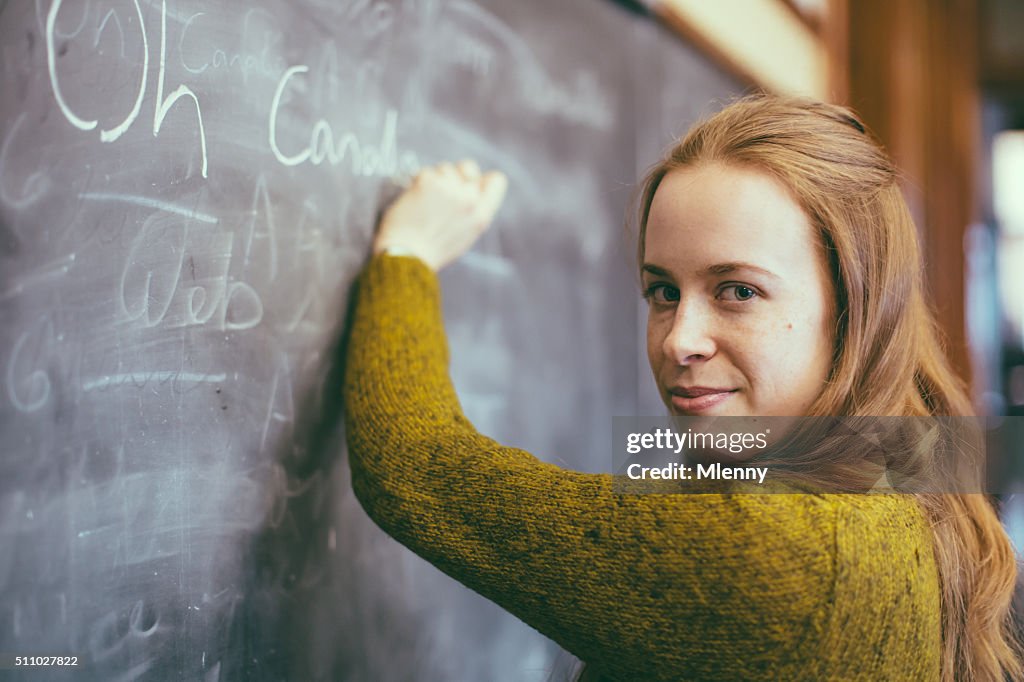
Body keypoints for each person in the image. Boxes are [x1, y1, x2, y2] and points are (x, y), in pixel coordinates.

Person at [343, 95, 1023, 680]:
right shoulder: (905, 475)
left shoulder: (789, 560)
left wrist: (407, 256)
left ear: (855, 310)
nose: (678, 338)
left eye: (738, 290)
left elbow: (414, 467)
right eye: (662, 291)